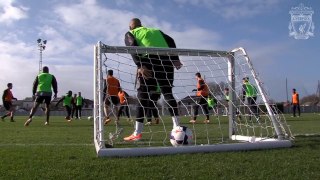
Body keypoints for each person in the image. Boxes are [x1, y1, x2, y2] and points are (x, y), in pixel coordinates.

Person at [123, 18, 183, 141]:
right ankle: (177, 127)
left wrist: (140, 65)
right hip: (166, 61)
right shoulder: (156, 31)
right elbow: (170, 40)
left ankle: (137, 133)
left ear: (131, 27)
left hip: (148, 61)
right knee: (167, 93)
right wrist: (175, 58)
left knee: (143, 96)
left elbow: (132, 46)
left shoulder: (131, 33)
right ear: (141, 25)